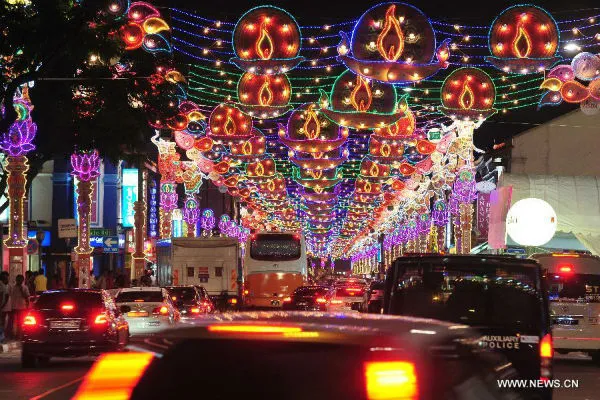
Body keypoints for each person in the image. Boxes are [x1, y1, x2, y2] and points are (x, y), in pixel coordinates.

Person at [9, 275, 29, 339]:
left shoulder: (25, 287)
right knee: (11, 321)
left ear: (22, 280)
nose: (19, 281)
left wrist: (27, 306)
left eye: (20, 280)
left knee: (20, 322)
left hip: (21, 307)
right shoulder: (12, 287)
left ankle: (18, 335)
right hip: (13, 306)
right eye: (18, 279)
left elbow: (26, 296)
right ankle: (11, 334)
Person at [0, 272, 9, 343]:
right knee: (2, 321)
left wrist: (2, 305)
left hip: (1, 306)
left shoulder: (3, 285)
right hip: (2, 306)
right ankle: (2, 337)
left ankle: (2, 337)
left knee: (2, 321)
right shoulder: (2, 285)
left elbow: (5, 296)